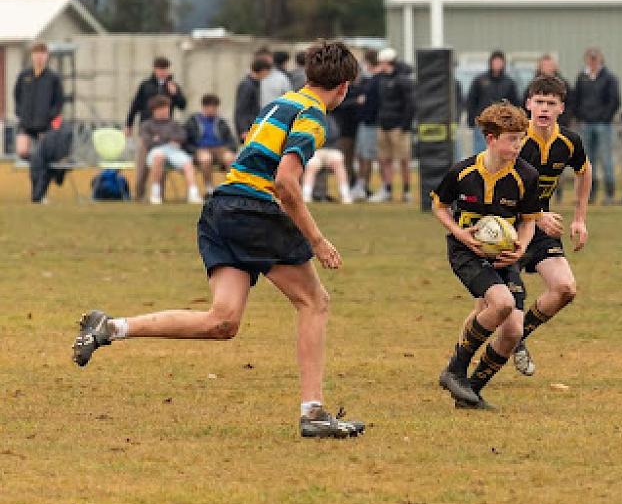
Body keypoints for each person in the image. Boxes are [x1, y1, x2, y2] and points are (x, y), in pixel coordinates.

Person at [72, 40, 366, 440]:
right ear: (344, 87)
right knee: (314, 302)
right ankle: (313, 411)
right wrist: (316, 239)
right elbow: (285, 182)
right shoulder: (313, 115)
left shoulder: (280, 104)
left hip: (221, 208)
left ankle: (111, 327)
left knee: (222, 321)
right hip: (253, 211)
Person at [432, 101, 542, 410]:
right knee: (502, 303)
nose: (518, 146)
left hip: (504, 256)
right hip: (466, 251)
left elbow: (529, 221)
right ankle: (455, 369)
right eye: (512, 139)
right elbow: (439, 206)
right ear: (491, 139)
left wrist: (521, 247)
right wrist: (460, 233)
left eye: (521, 139)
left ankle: (470, 393)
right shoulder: (462, 171)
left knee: (513, 331)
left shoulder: (526, 175)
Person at [510, 75, 592, 377]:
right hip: (506, 225)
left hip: (541, 225)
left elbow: (585, 171)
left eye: (551, 103)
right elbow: (503, 187)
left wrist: (579, 218)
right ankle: (460, 363)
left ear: (561, 108)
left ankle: (517, 338)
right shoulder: (516, 139)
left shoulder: (569, 142)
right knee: (494, 306)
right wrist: (536, 214)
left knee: (564, 288)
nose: (544, 108)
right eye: (539, 102)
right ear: (528, 104)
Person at [14, 41, 65, 203]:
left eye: (42, 54)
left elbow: (59, 102)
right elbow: (17, 96)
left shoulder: (53, 78)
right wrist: (20, 114)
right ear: (32, 56)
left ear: (47, 56)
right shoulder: (24, 76)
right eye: (36, 54)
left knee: (41, 157)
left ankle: (39, 193)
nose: (39, 57)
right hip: (26, 124)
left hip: (45, 126)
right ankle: (49, 169)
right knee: (23, 152)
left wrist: (50, 118)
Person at [573, 48, 620, 205]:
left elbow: (614, 101)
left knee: (606, 159)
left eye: (595, 58)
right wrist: (580, 116)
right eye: (590, 58)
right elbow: (576, 99)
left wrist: (605, 117)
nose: (593, 61)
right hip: (586, 124)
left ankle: (609, 194)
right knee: (587, 161)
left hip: (603, 124)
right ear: (586, 60)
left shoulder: (609, 78)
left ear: (600, 59)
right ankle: (590, 194)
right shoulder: (582, 78)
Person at [370, 48, 415, 203]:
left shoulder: (403, 80)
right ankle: (387, 189)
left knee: (404, 160)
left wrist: (405, 125)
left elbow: (410, 104)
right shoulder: (381, 79)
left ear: (388, 62)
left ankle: (406, 191)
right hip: (383, 125)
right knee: (384, 159)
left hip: (398, 127)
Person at [140, 95, 203, 205]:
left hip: (174, 151)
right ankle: (155, 194)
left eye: (167, 108)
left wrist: (160, 137)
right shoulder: (147, 125)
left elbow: (182, 137)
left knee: (188, 163)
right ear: (155, 110)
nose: (166, 111)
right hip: (156, 151)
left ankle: (193, 194)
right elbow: (148, 142)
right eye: (162, 109)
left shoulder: (174, 124)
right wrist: (168, 139)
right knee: (159, 157)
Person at [467, 51, 520, 155]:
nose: (497, 64)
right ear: (490, 62)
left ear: (503, 63)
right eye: (495, 61)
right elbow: (472, 100)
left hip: (502, 125)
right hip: (482, 123)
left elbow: (515, 103)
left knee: (499, 152)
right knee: (480, 152)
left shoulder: (509, 83)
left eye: (499, 62)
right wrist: (472, 120)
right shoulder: (480, 80)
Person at [184, 93, 237, 194]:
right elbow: (186, 141)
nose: (212, 110)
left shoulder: (221, 122)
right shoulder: (193, 121)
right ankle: (209, 188)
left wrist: (230, 149)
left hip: (219, 148)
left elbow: (231, 140)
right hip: (201, 149)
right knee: (206, 159)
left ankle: (232, 188)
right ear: (203, 107)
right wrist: (194, 151)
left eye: (214, 107)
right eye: (210, 107)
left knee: (230, 158)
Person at [126, 56, 187, 133]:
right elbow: (135, 105)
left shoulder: (173, 86)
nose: (163, 72)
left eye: (165, 69)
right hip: (146, 125)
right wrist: (129, 124)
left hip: (165, 127)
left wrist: (175, 94)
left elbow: (182, 106)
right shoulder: (145, 85)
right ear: (155, 70)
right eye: (160, 69)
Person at [352, 49, 380, 200]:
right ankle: (360, 184)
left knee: (367, 156)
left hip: (371, 123)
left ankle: (363, 186)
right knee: (361, 155)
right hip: (364, 122)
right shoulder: (367, 79)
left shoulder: (376, 79)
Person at [234, 57, 270, 141]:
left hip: (253, 125)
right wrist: (243, 129)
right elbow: (241, 109)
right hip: (248, 127)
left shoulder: (254, 84)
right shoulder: (247, 86)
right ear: (263, 71)